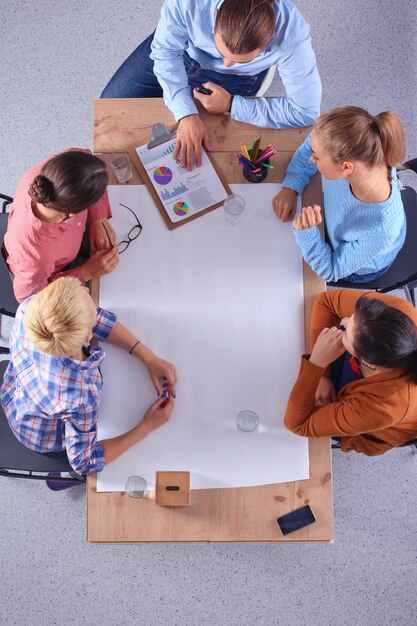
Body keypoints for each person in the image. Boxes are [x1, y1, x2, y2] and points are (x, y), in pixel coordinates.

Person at [101, 0, 321, 170]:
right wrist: (186, 113)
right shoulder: (189, 3)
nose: (225, 63)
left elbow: (305, 111)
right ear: (216, 15)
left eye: (240, 59)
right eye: (223, 52)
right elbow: (166, 52)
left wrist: (232, 105)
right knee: (108, 111)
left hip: (236, 81)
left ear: (269, 41)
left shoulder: (292, 35)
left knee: (217, 152)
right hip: (178, 51)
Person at [0, 277, 177, 478]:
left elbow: (89, 320)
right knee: (79, 469)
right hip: (40, 436)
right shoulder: (80, 394)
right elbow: (84, 462)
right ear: (87, 337)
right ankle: (64, 477)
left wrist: (148, 358)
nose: (86, 289)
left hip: (14, 395)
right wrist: (146, 427)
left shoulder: (30, 308)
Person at [273, 106, 407, 283]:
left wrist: (307, 234)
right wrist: (291, 186)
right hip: (336, 224)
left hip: (357, 263)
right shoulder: (362, 147)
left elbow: (330, 270)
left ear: (346, 167)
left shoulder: (382, 228)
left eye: (317, 158)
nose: (311, 159)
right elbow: (312, 144)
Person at [284, 289, 417, 455]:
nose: (344, 320)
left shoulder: (383, 407)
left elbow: (297, 424)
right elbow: (326, 302)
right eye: (352, 317)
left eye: (346, 332)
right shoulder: (398, 313)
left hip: (372, 419)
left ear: (367, 362)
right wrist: (322, 376)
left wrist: (317, 362)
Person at [3, 149, 119, 302]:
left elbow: (87, 157)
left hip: (70, 241)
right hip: (55, 277)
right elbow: (31, 299)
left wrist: (99, 218)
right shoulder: (35, 258)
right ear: (73, 212)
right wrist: (87, 272)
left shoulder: (54, 172)